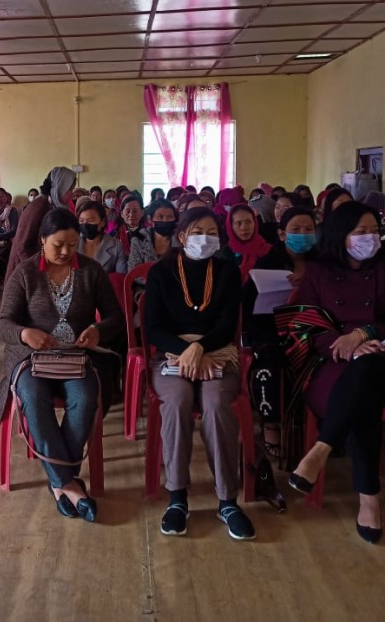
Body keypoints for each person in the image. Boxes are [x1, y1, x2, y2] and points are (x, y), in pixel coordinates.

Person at [288, 202, 385, 544]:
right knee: (362, 396)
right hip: (332, 364)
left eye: (373, 230)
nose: (370, 237)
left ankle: (321, 450)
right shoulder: (319, 272)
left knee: (367, 372)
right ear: (341, 235)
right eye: (360, 231)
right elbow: (303, 324)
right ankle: (370, 501)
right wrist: (341, 344)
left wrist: (365, 335)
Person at [0, 208, 123, 523]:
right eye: (57, 245)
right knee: (34, 398)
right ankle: (68, 484)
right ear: (42, 241)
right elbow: (2, 324)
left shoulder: (91, 272)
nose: (65, 252)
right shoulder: (25, 273)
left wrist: (97, 330)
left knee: (85, 398)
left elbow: (115, 318)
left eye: (72, 244)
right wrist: (25, 333)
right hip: (32, 359)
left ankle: (59, 482)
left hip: (76, 357)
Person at [143, 207, 256, 540]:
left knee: (216, 402)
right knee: (177, 399)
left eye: (211, 232)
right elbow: (154, 328)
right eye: (197, 232)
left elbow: (226, 325)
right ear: (181, 237)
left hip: (216, 352)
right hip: (171, 356)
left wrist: (200, 348)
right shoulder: (161, 272)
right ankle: (177, 498)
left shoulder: (226, 272)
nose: (205, 239)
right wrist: (187, 351)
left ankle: (227, 500)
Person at [244, 206, 317, 464]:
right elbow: (249, 307)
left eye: (309, 229)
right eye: (296, 229)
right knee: (269, 361)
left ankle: (319, 426)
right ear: (282, 234)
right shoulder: (268, 264)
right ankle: (271, 423)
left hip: (313, 331)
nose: (303, 234)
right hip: (271, 330)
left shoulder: (324, 263)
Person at [6, 166, 76, 281]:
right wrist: (40, 272)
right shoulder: (38, 206)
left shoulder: (53, 205)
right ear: (60, 187)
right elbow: (22, 247)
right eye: (70, 190)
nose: (72, 194)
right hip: (27, 272)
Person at [221, 204, 271, 285]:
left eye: (248, 222)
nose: (244, 227)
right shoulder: (226, 253)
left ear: (255, 223)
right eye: (239, 223)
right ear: (231, 226)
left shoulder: (267, 250)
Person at [77, 201, 127, 275]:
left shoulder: (116, 246)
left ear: (102, 222)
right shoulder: (73, 243)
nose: (85, 225)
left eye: (90, 221)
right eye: (81, 221)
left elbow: (120, 276)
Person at [128, 198, 178, 270]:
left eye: (170, 217)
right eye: (160, 217)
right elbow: (133, 270)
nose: (165, 220)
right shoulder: (139, 239)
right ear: (150, 219)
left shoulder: (180, 239)